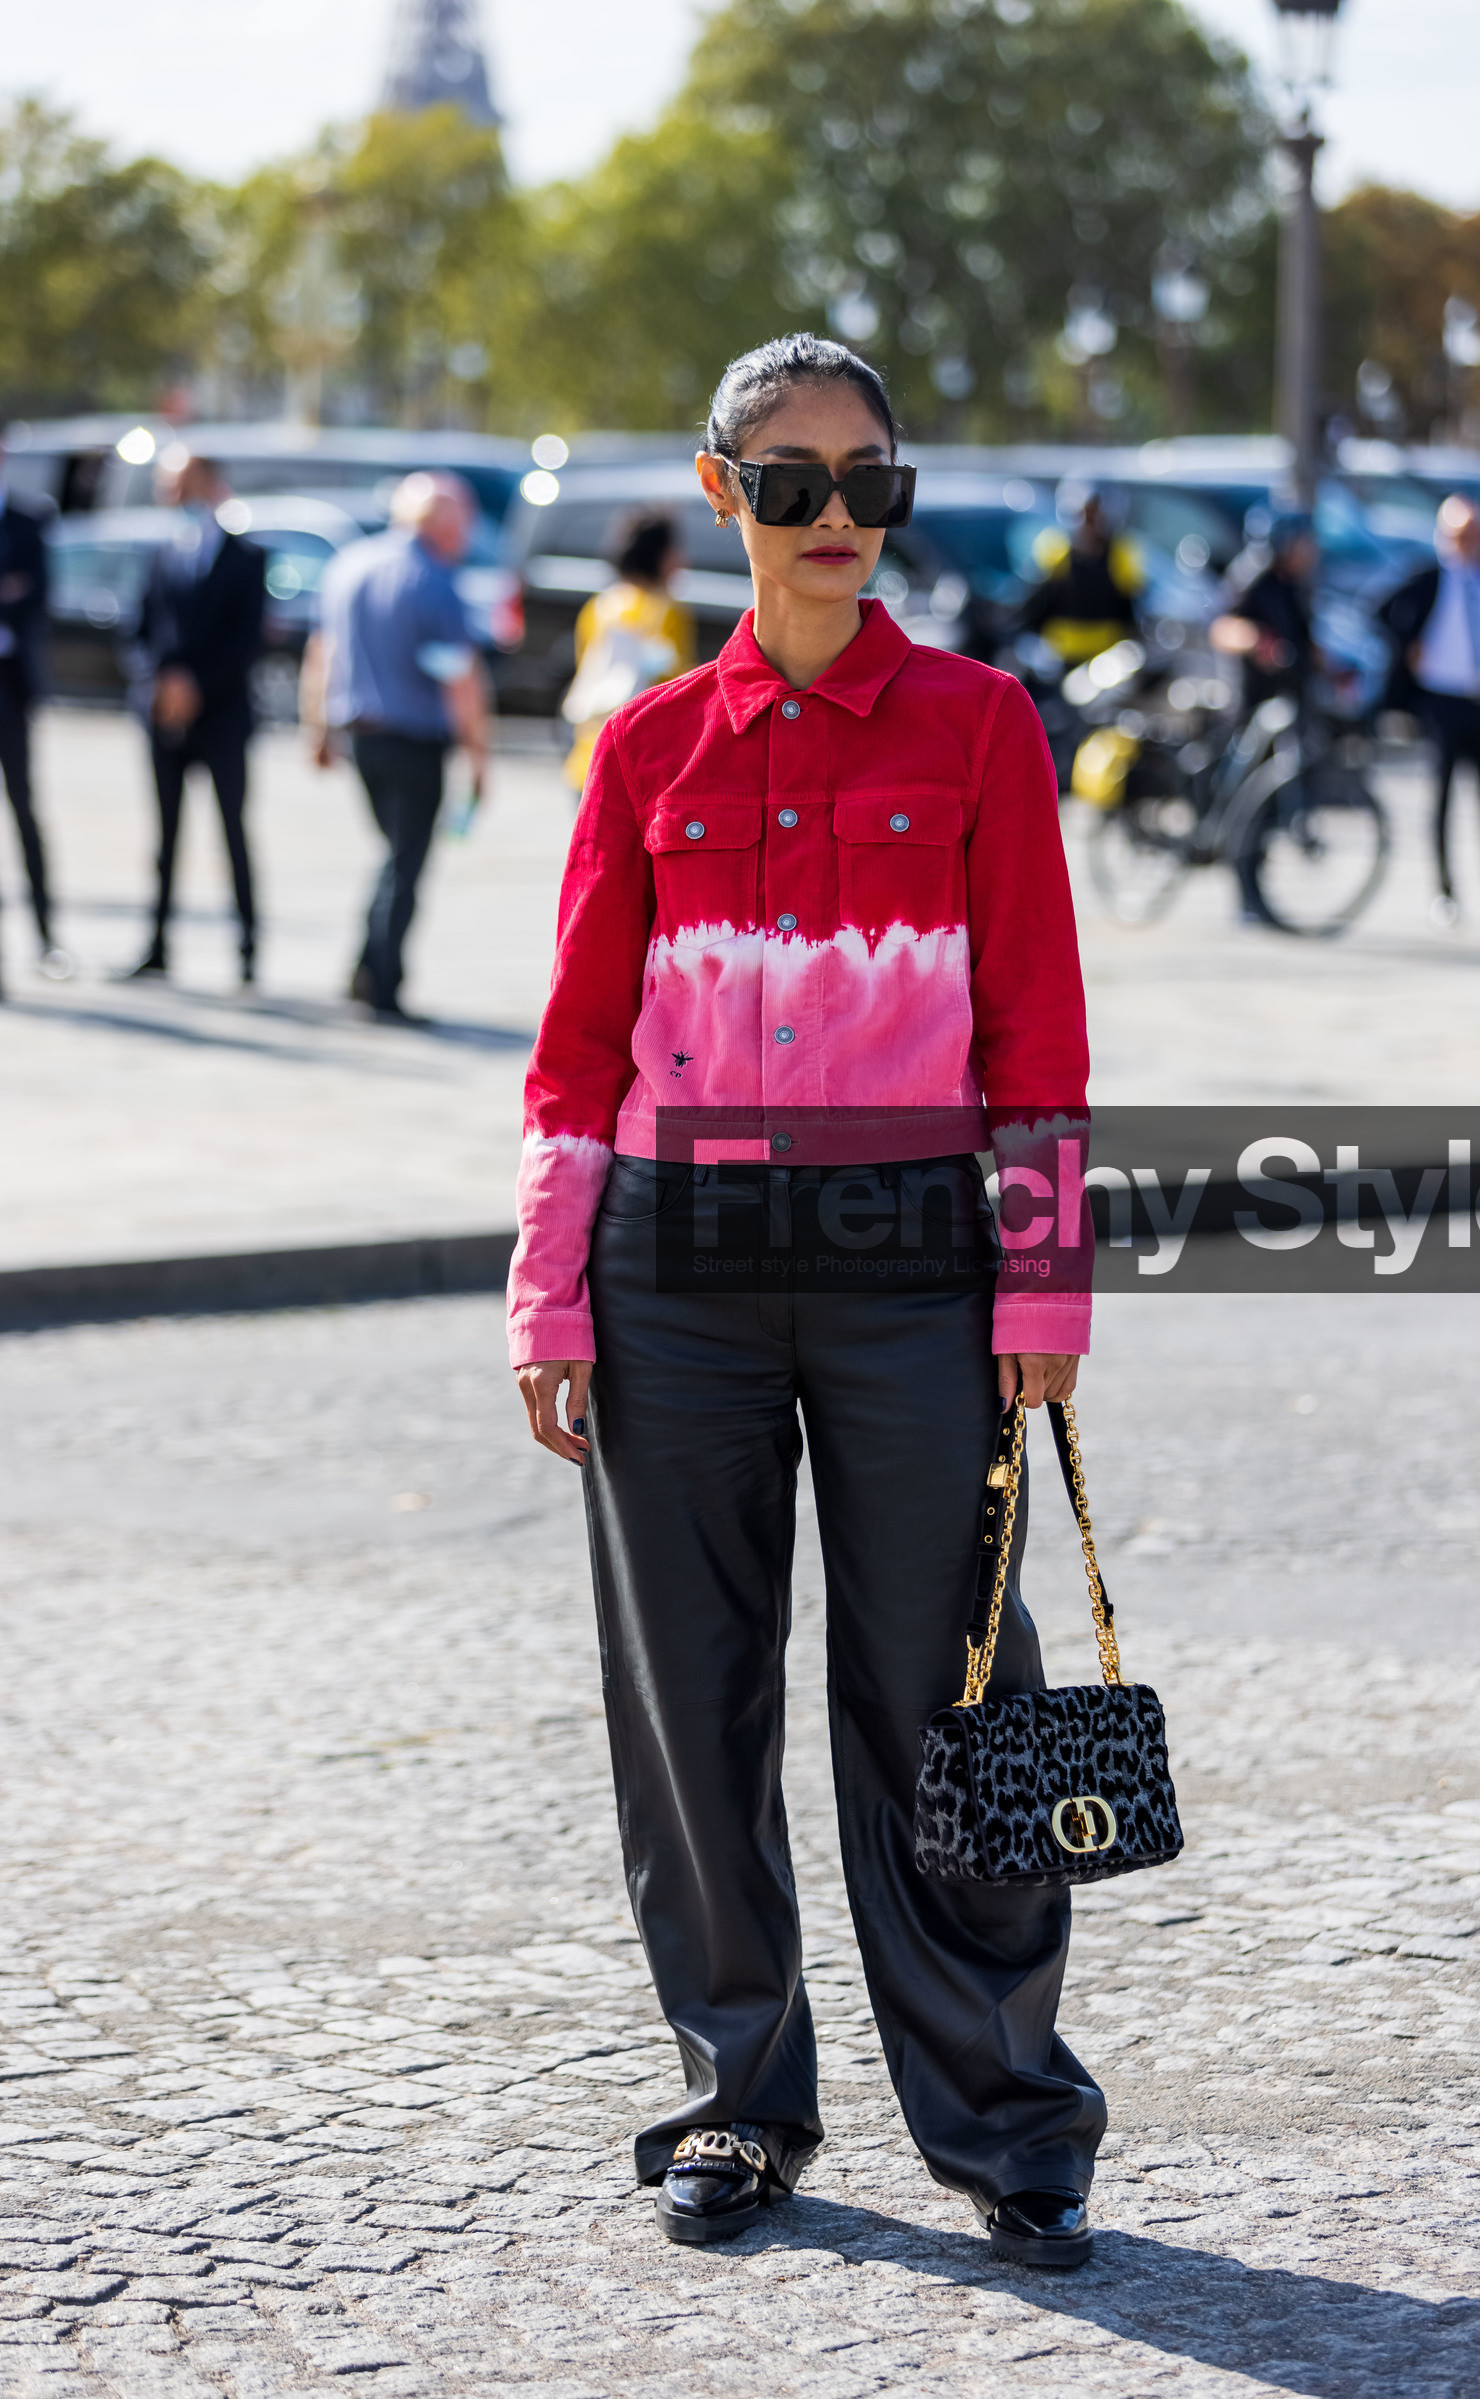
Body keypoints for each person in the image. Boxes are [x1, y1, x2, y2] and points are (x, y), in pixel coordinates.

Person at [508, 333, 1102, 2270]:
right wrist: (549, 1289)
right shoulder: (648, 743)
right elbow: (576, 1047)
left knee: (945, 1683)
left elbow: (1033, 1027)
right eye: (791, 481)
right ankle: (736, 2091)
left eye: (869, 480)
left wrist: (1041, 1277)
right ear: (717, 492)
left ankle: (1010, 2114)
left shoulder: (984, 723)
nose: (836, 515)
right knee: (690, 1692)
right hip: (669, 1259)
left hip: (907, 1251)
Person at [302, 472, 490, 1020]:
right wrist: (479, 755)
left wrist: (317, 727)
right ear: (440, 523)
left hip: (362, 735)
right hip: (414, 741)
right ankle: (381, 980)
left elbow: (322, 656)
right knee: (405, 861)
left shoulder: (349, 566)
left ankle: (367, 968)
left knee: (391, 856)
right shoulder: (432, 579)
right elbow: (462, 678)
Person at [120, 451, 267, 984]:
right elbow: (138, 631)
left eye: (177, 484)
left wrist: (195, 684)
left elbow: (246, 640)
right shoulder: (160, 554)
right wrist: (160, 681)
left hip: (221, 715)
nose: (169, 495)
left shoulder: (246, 557)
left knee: (232, 831)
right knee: (165, 836)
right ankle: (157, 943)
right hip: (163, 715)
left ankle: (248, 948)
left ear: (205, 483)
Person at [1378, 495, 1480, 928]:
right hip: (1443, 702)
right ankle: (1444, 891)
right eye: (1461, 535)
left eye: (1475, 534)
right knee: (1442, 800)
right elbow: (1384, 613)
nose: (1469, 543)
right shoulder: (1428, 579)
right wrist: (1409, 651)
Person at [0, 438, 71, 990]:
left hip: (11, 685)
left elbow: (37, 595)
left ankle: (47, 935)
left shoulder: (29, 518)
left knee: (24, 808)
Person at [562, 508, 695, 793]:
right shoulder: (666, 611)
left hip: (590, 755)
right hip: (643, 766)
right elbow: (680, 691)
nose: (682, 559)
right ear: (659, 555)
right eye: (675, 549)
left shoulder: (598, 606)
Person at [1015, 488, 1144, 667]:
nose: (1089, 522)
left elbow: (1131, 604)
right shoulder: (1056, 550)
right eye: (1084, 514)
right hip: (1060, 653)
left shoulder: (1121, 555)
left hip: (1108, 658)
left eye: (1095, 514)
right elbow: (1037, 604)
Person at [1210, 511, 1319, 716]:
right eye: (1305, 543)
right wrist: (1256, 639)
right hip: (1251, 699)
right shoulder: (1254, 579)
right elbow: (1220, 627)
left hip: (1289, 695)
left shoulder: (1293, 584)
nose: (1312, 551)